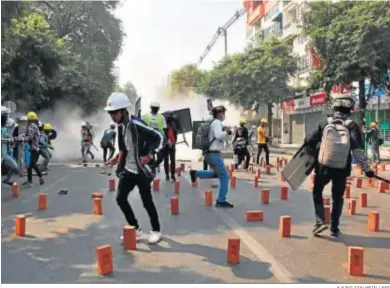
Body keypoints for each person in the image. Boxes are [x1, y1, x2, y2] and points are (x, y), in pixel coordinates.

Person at [304, 95, 374, 237]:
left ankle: (320, 220)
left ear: (334, 108)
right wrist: (367, 169)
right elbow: (357, 150)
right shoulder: (352, 125)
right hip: (342, 168)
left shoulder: (324, 123)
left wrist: (316, 153)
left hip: (323, 166)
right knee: (338, 197)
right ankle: (334, 228)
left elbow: (308, 141)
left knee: (317, 191)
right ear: (350, 110)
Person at [104, 92, 165, 244]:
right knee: (120, 198)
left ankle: (156, 230)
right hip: (128, 170)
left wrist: (150, 156)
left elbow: (160, 137)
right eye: (110, 113)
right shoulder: (120, 127)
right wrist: (117, 158)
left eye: (115, 113)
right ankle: (135, 228)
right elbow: (125, 148)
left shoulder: (136, 124)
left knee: (147, 201)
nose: (113, 116)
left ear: (124, 110)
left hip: (141, 170)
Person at [190, 105, 233, 208]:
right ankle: (221, 200)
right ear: (219, 113)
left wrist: (227, 133)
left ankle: (196, 173)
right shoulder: (217, 123)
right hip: (213, 154)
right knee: (225, 176)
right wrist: (226, 131)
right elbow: (218, 135)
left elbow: (218, 138)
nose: (224, 115)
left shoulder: (212, 122)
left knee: (218, 174)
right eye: (223, 113)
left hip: (210, 153)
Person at [12, 111, 44, 186]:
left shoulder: (32, 126)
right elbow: (27, 134)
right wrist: (21, 136)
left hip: (33, 148)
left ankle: (40, 177)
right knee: (29, 164)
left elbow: (30, 137)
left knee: (31, 163)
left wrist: (23, 139)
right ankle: (30, 181)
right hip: (32, 147)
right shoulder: (32, 125)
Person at [1, 106, 19, 185]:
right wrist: (6, 140)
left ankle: (8, 180)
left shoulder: (4, 128)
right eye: (5, 115)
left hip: (4, 154)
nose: (6, 117)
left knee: (15, 168)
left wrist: (12, 139)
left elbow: (7, 136)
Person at [163, 112, 178, 181]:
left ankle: (172, 175)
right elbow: (162, 137)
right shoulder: (163, 128)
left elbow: (175, 137)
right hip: (166, 146)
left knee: (172, 161)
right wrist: (167, 142)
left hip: (172, 146)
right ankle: (167, 175)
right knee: (166, 160)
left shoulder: (173, 128)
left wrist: (173, 143)